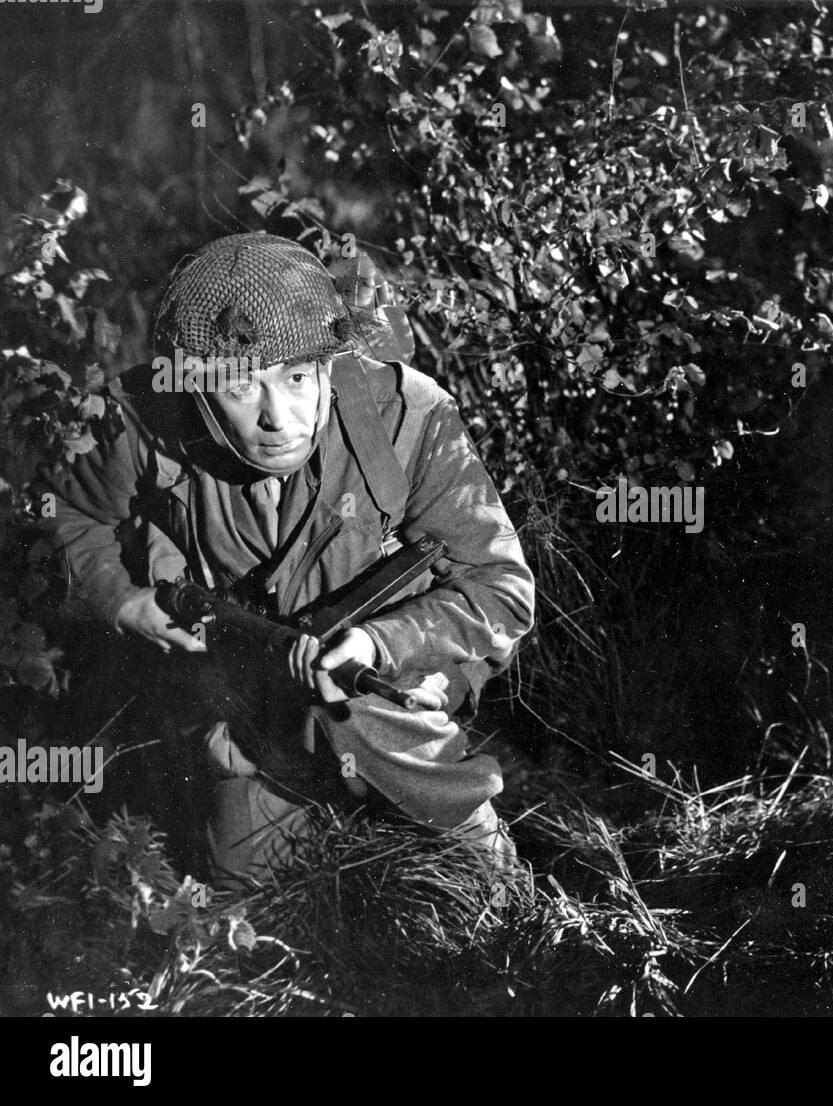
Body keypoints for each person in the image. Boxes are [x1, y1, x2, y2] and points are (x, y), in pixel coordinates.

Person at [40, 232, 535, 888]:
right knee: (240, 884)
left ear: (329, 364)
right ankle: (329, 801)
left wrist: (382, 640)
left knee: (482, 881)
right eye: (243, 389)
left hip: (387, 696)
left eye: (299, 377)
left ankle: (477, 847)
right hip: (253, 704)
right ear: (197, 385)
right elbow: (72, 519)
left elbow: (501, 587)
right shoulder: (139, 419)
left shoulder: (408, 418)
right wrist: (123, 601)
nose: (280, 417)